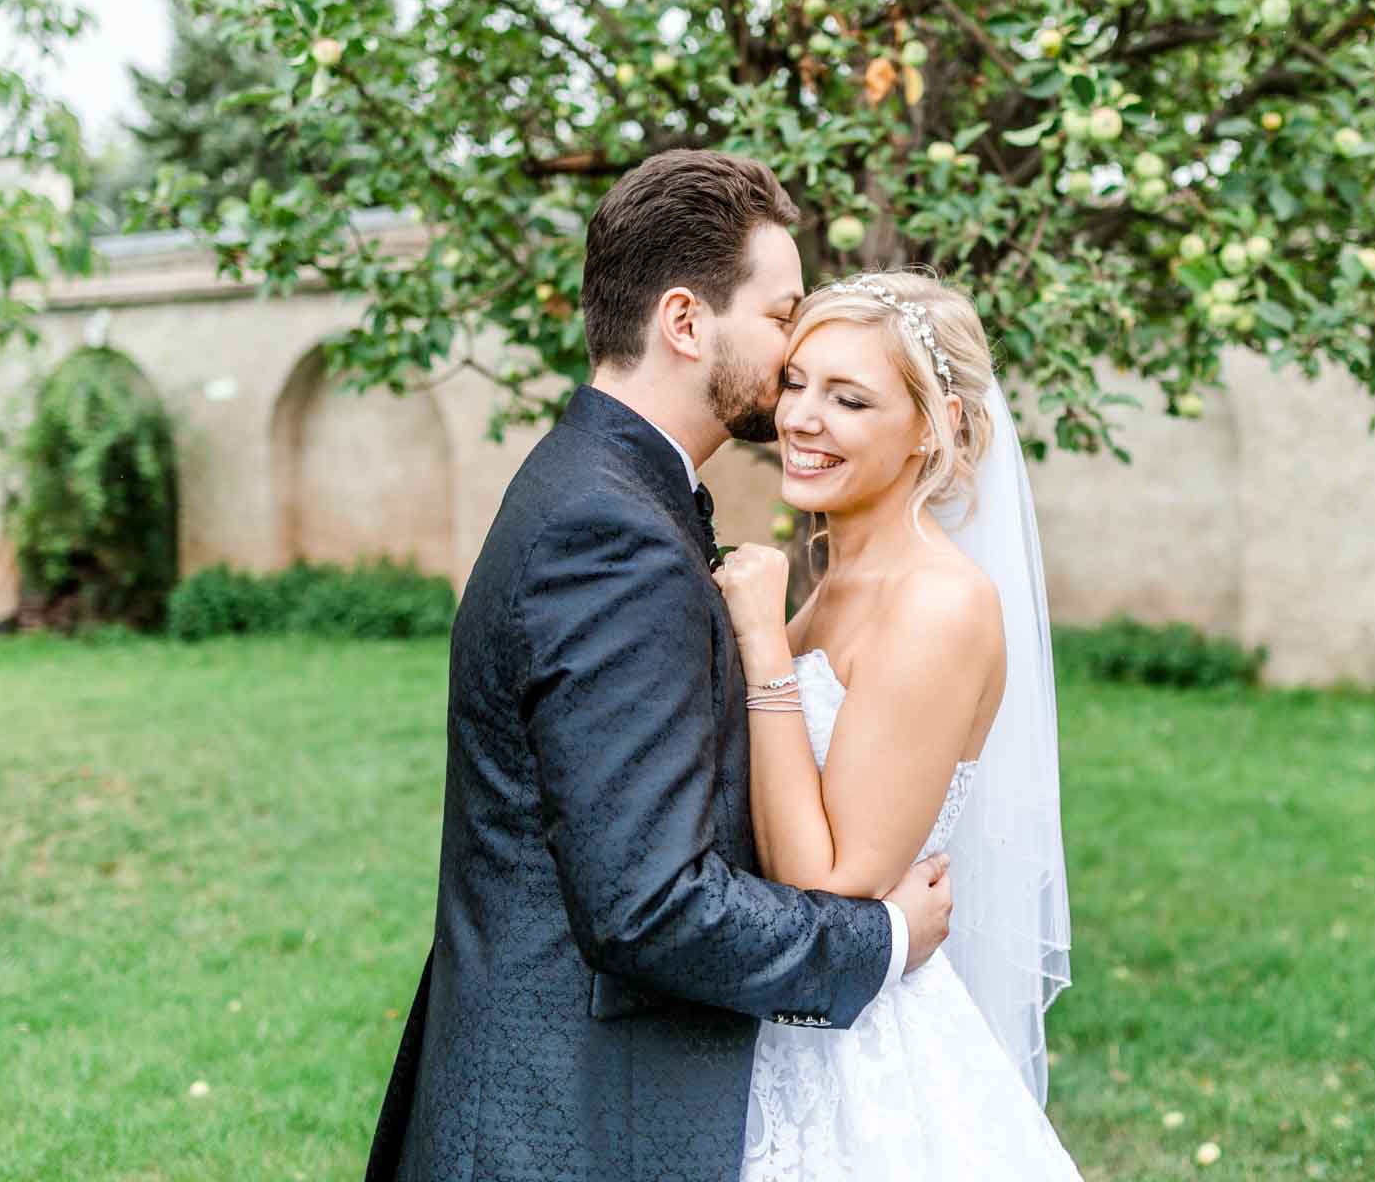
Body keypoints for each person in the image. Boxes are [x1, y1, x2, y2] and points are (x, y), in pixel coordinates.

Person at [362, 152, 957, 1182]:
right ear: (685, 322)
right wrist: (882, 939)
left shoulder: (604, 489)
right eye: (780, 318)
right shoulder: (612, 531)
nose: (792, 354)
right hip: (563, 1124)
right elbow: (650, 905)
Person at [716, 271, 1079, 1180]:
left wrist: (761, 641)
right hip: (774, 1019)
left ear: (934, 428)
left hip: (858, 1067)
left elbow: (832, 881)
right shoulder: (839, 577)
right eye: (796, 382)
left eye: (849, 398)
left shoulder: (940, 605)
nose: (801, 416)